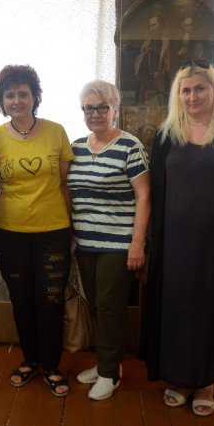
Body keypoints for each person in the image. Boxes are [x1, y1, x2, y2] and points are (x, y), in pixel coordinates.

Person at [137, 61, 214, 416]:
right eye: (186, 90)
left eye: (200, 89)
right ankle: (179, 377)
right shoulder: (166, 134)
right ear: (178, 95)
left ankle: (205, 382)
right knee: (175, 307)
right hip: (173, 244)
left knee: (210, 309)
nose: (193, 96)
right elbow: (153, 191)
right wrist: (144, 239)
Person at [0, 64, 74, 397]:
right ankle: (31, 360)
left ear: (34, 96)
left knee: (51, 300)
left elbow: (64, 183)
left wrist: (72, 230)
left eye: (23, 93)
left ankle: (52, 366)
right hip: (9, 231)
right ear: (1, 100)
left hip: (53, 229)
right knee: (22, 300)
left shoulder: (56, 131)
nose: (17, 100)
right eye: (9, 95)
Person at [67, 80, 151, 400]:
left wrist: (137, 243)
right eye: (89, 108)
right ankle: (108, 364)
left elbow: (144, 196)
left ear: (115, 110)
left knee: (110, 307)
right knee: (97, 307)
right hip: (84, 243)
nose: (95, 113)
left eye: (102, 107)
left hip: (118, 244)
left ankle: (109, 374)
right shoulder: (75, 147)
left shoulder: (130, 147)